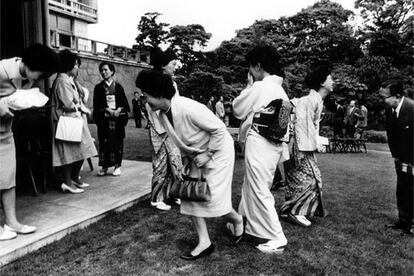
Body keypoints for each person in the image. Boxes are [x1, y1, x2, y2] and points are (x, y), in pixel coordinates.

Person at [136, 70, 243, 260]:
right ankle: (205, 242)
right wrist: (186, 161)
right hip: (196, 155)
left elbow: (219, 129)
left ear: (159, 94)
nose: (145, 100)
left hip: (218, 151)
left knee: (214, 198)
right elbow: (182, 140)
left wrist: (208, 154)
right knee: (190, 195)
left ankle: (237, 220)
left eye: (146, 95)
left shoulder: (187, 107)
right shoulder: (162, 114)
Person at [232, 44, 289, 253]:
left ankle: (276, 236)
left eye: (250, 68)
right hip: (275, 144)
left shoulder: (261, 87)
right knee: (253, 184)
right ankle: (243, 221)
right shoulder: (281, 89)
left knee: (259, 188)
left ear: (257, 66)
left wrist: (248, 87)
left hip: (260, 141)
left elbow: (238, 109)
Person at [0, 43, 59, 240]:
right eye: (41, 75)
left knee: (8, 177)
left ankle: (12, 222)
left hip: (4, 132)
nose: (40, 80)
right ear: (31, 64)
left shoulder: (26, 79)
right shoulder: (1, 70)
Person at [280, 65, 334, 227]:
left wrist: (317, 142)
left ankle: (292, 209)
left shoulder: (316, 101)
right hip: (300, 147)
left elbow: (312, 126)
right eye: (330, 78)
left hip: (305, 145)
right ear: (322, 82)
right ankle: (294, 211)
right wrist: (305, 149)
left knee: (310, 178)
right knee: (307, 179)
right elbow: (302, 127)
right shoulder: (307, 101)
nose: (333, 81)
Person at [51, 49, 97, 193]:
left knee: (82, 149)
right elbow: (68, 104)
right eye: (75, 64)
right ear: (68, 65)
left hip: (73, 120)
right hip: (67, 121)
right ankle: (67, 181)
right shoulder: (62, 81)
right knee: (69, 152)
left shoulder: (67, 80)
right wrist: (81, 108)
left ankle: (74, 178)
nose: (77, 67)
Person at [146, 49, 181, 211]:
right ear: (163, 66)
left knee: (175, 161)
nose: (175, 67)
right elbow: (150, 106)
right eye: (173, 64)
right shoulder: (153, 82)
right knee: (160, 164)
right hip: (159, 128)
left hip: (172, 127)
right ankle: (156, 198)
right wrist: (164, 127)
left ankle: (173, 193)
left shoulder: (172, 83)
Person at [379, 79, 413, 235]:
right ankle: (403, 220)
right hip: (400, 158)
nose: (383, 100)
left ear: (397, 96)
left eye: (385, 97)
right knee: (402, 189)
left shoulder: (412, 109)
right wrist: (397, 156)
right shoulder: (389, 110)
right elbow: (391, 135)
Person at [93, 62, 130, 177]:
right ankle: (104, 166)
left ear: (112, 71)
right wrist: (108, 110)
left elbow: (124, 103)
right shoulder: (98, 88)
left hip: (117, 120)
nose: (103, 72)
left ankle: (117, 166)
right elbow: (97, 105)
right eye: (102, 70)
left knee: (117, 143)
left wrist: (118, 110)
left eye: (106, 70)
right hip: (105, 120)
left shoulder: (118, 87)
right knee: (104, 143)